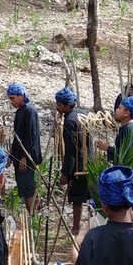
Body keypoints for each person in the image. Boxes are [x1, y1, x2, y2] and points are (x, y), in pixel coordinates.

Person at [55, 87, 90, 236]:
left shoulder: (69, 121)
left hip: (78, 165)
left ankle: (76, 227)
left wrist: (65, 173)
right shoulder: (82, 114)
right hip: (89, 160)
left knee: (77, 198)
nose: (57, 107)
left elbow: (70, 150)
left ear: (66, 105)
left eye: (59, 104)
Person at [6, 83, 43, 213]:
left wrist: (25, 157)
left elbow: (30, 137)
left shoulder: (29, 110)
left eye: (13, 98)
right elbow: (18, 137)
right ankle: (35, 212)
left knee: (27, 188)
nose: (11, 101)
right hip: (21, 156)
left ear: (22, 96)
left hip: (27, 157)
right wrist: (12, 156)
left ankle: (33, 215)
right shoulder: (21, 111)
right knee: (25, 186)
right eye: (9, 98)